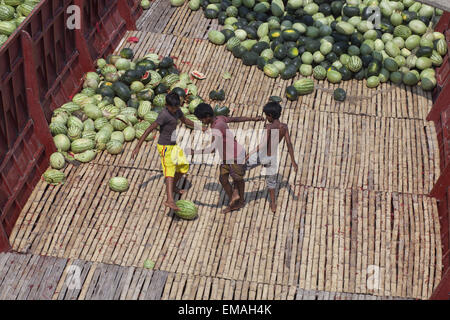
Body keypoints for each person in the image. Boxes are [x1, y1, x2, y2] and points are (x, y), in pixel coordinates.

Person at [185, 103, 264, 213]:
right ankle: (234, 198)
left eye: (202, 119)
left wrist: (194, 152)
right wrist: (253, 118)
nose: (202, 122)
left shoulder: (216, 127)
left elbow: (212, 149)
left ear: (207, 116)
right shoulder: (219, 118)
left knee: (238, 180)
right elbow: (235, 119)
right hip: (227, 158)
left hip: (235, 156)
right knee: (223, 179)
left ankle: (240, 202)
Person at [131, 92, 203, 211]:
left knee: (184, 166)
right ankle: (170, 200)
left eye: (177, 107)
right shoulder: (163, 115)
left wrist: (200, 127)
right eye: (173, 108)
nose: (175, 110)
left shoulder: (177, 110)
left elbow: (185, 120)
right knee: (169, 171)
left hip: (173, 145)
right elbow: (150, 129)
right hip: (164, 147)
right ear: (166, 105)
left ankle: (174, 186)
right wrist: (138, 146)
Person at [245, 101, 298, 213]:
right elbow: (289, 144)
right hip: (272, 157)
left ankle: (236, 187)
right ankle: (273, 203)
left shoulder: (268, 127)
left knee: (243, 166)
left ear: (270, 116)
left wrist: (249, 153)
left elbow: (263, 144)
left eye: (266, 115)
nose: (266, 117)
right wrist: (293, 161)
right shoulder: (284, 127)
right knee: (271, 182)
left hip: (261, 155)